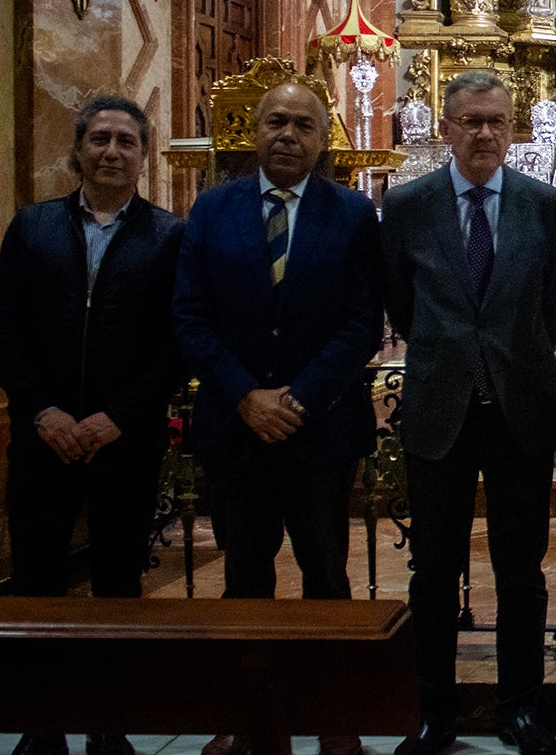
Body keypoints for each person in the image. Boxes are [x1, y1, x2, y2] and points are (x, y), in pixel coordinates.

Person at [173, 81, 383, 755]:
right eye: (275, 122)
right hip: (238, 427)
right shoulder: (210, 210)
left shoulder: (351, 213)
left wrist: (299, 397)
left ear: (324, 138)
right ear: (253, 133)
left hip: (318, 428)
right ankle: (248, 716)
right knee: (245, 578)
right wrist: (244, 394)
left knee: (327, 577)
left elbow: (362, 323)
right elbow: (189, 315)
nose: (288, 134)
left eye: (303, 124)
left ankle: (334, 712)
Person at [0, 95, 185, 755]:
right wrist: (42, 409)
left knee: (118, 584)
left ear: (144, 154)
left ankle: (108, 720)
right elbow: (3, 328)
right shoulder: (32, 226)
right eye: (99, 138)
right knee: (38, 584)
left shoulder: (168, 235)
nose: (111, 151)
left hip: (123, 441)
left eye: (126, 140)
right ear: (77, 150)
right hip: (43, 437)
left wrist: (117, 417)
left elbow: (176, 343)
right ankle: (42, 723)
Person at [379, 70, 556, 755]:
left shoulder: (545, 203)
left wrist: (512, 351)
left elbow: (554, 301)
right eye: (470, 121)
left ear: (513, 127)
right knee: (434, 569)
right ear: (447, 128)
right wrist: (455, 350)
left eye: (496, 120)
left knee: (521, 569)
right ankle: (436, 710)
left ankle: (519, 707)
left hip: (520, 403)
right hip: (439, 404)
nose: (484, 132)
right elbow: (402, 301)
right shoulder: (407, 204)